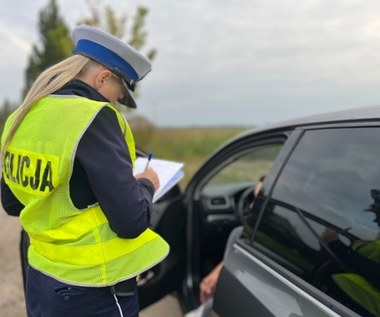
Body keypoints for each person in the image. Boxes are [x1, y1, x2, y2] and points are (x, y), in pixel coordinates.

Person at [1, 25, 169, 317]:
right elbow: (131, 220)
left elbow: (13, 203)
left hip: (41, 278)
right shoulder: (94, 117)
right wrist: (146, 184)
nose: (117, 102)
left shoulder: (22, 116)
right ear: (103, 78)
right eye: (120, 93)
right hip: (93, 289)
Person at [186, 176, 265, 317]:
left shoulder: (240, 234)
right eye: (252, 199)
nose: (251, 206)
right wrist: (218, 273)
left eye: (258, 200)